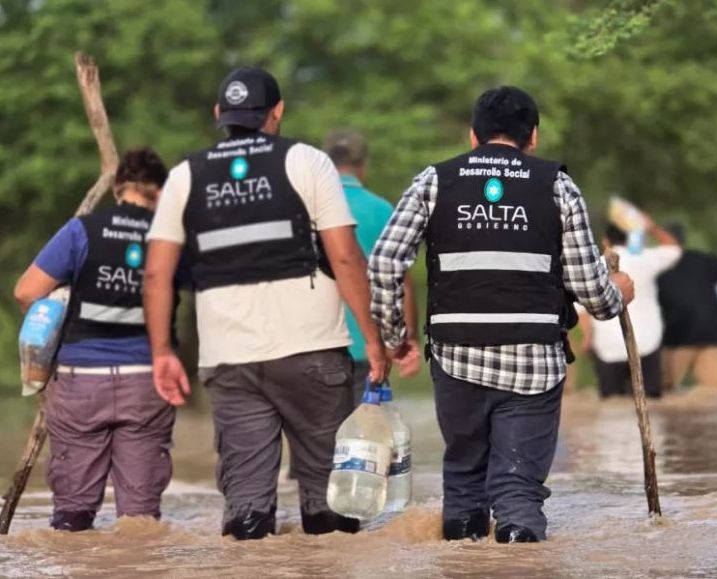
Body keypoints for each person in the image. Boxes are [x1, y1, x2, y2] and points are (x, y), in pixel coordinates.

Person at [369, 86, 634, 543]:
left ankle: (462, 563)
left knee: (465, 481)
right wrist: (619, 295)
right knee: (517, 488)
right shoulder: (556, 184)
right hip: (534, 360)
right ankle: (519, 556)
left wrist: (395, 335)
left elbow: (385, 262)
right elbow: (594, 295)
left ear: (473, 136)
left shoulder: (434, 181)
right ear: (533, 136)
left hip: (456, 359)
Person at [143, 66, 389, 540]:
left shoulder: (184, 176)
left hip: (231, 359)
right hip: (313, 352)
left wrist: (161, 351)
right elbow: (345, 257)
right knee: (329, 504)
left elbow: (157, 273)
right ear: (276, 113)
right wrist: (373, 341)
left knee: (248, 510)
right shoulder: (308, 162)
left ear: (219, 114)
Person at [13, 148, 175, 532]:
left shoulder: (81, 230)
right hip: (145, 382)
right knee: (140, 521)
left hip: (79, 383)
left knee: (72, 516)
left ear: (117, 188)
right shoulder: (170, 239)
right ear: (161, 191)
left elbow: (25, 291)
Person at [322, 129, 421, 401]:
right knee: (363, 437)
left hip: (316, 344)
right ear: (363, 166)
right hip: (368, 347)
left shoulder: (308, 208)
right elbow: (401, 279)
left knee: (318, 440)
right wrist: (406, 338)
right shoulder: (383, 209)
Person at [578, 221, 681, 399]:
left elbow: (581, 309)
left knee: (610, 409)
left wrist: (588, 338)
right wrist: (652, 227)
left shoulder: (593, 268)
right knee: (651, 405)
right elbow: (674, 250)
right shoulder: (645, 259)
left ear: (605, 241)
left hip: (608, 346)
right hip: (646, 343)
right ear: (631, 239)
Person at [657, 223, 717, 390]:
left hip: (676, 337)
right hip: (712, 334)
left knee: (661, 393)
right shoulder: (706, 259)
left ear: (665, 239)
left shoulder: (658, 265)